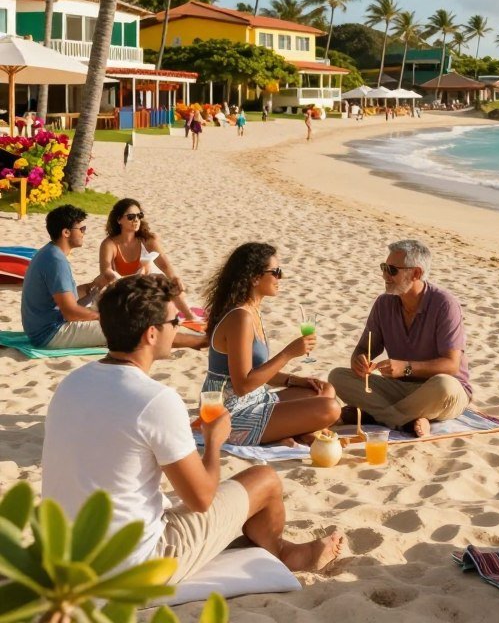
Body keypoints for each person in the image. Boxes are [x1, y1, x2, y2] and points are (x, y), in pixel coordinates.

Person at [41, 273, 341, 583]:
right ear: (151, 334)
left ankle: (276, 546)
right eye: (174, 322)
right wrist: (214, 442)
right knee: (264, 479)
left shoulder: (70, 384)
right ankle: (284, 553)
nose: (180, 328)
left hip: (66, 554)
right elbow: (201, 500)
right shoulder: (155, 400)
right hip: (133, 565)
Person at [200, 243, 340, 445]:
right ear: (255, 277)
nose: (280, 278)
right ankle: (298, 433)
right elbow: (242, 385)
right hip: (226, 412)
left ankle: (295, 433)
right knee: (330, 408)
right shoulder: (240, 317)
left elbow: (254, 372)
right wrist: (288, 353)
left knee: (323, 390)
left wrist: (294, 380)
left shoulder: (251, 311)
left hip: (254, 399)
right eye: (276, 272)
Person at [328, 239, 470, 437]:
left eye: (392, 270)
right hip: (401, 387)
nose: (385, 275)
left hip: (439, 391)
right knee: (338, 376)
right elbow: (364, 348)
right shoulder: (384, 303)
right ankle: (404, 421)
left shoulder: (444, 305)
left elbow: (452, 365)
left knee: (444, 386)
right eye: (384, 268)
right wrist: (358, 360)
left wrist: (406, 367)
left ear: (416, 273)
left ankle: (375, 415)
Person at [98, 198, 202, 327]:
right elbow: (105, 270)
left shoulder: (148, 239)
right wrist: (115, 277)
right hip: (122, 286)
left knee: (168, 282)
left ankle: (190, 316)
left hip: (143, 284)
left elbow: (163, 263)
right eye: (130, 217)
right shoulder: (110, 244)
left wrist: (174, 277)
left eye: (139, 215)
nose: (136, 220)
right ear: (119, 220)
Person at [21, 205, 107, 349]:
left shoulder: (49, 252)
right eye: (81, 229)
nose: (83, 233)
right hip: (50, 334)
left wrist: (91, 286)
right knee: (124, 330)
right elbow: (71, 313)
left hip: (39, 330)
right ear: (66, 232)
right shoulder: (56, 260)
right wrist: (104, 317)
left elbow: (62, 295)